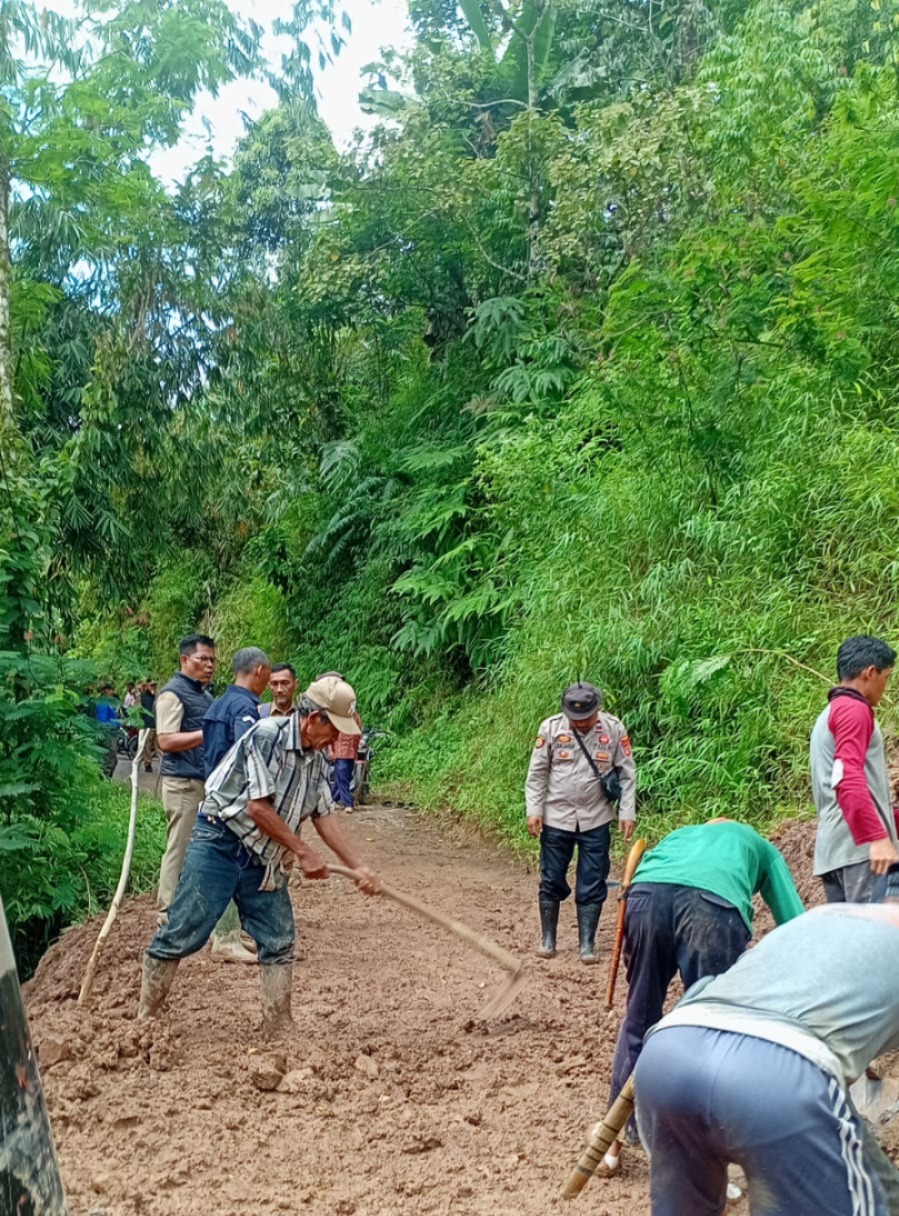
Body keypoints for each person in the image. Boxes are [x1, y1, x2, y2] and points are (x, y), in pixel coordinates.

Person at [137, 676, 381, 1033]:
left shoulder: (316, 759)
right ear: (314, 719)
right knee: (184, 928)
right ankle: (147, 1018)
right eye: (334, 730)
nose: (335, 741)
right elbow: (257, 808)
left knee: (278, 937)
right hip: (220, 840)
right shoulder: (267, 736)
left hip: (262, 854)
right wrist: (302, 851)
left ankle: (278, 1025)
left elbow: (324, 815)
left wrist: (358, 866)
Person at [633, 891, 899, 1216]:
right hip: (779, 1075)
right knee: (880, 1201)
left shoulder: (821, 918)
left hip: (669, 1052)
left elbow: (708, 988)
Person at [602, 819, 805, 1173]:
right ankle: (704, 1154)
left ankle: (611, 1145)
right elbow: (796, 926)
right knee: (714, 1033)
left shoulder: (680, 835)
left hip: (646, 896)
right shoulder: (758, 843)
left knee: (639, 1017)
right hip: (711, 907)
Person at [524, 681, 636, 963]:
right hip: (556, 817)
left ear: (597, 710)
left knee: (593, 880)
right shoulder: (550, 728)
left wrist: (626, 812)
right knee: (550, 878)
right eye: (575, 720)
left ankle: (587, 943)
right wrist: (533, 809)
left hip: (596, 818)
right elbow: (537, 774)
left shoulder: (613, 729)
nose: (581, 724)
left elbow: (627, 773)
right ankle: (548, 939)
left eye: (586, 718)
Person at [811, 634, 898, 903]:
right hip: (863, 854)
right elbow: (848, 778)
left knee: (851, 940)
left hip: (835, 853)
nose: (886, 687)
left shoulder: (830, 713)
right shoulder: (853, 710)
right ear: (870, 672)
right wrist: (877, 838)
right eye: (887, 677)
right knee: (878, 939)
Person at [203, 647, 272, 964]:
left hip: (214, 791)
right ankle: (224, 936)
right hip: (232, 799)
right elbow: (248, 753)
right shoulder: (244, 707)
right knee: (230, 866)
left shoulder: (218, 701)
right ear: (259, 671)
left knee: (229, 863)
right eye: (268, 674)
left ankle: (229, 930)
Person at [154, 634, 216, 926]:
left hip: (199, 781)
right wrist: (207, 734)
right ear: (184, 660)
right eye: (202, 659)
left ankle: (187, 907)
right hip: (182, 784)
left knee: (195, 847)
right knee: (179, 845)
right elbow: (165, 740)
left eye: (212, 660)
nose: (209, 665)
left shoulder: (203, 694)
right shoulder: (172, 694)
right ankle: (167, 913)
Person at [330, 706, 363, 811]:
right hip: (339, 753)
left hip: (351, 752)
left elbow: (358, 733)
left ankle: (332, 800)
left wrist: (359, 746)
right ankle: (348, 803)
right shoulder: (337, 717)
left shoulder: (356, 717)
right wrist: (331, 751)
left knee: (343, 779)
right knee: (343, 779)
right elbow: (330, 735)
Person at [94, 683, 120, 778]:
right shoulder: (103, 703)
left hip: (111, 734)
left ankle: (107, 780)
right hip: (107, 735)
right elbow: (102, 722)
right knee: (109, 761)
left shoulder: (109, 703)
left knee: (113, 760)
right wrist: (117, 724)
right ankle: (104, 782)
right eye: (110, 690)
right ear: (105, 690)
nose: (112, 692)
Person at [139, 679, 158, 771]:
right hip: (147, 724)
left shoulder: (157, 697)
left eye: (154, 686)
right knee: (147, 745)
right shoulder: (143, 696)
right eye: (151, 685)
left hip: (157, 724)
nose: (153, 687)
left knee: (158, 745)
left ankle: (163, 762)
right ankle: (147, 764)